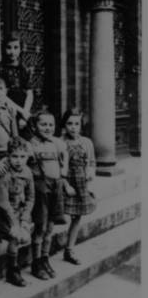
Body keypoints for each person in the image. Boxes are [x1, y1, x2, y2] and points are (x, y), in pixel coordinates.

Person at [25, 108, 71, 280]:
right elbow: (21, 161)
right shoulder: (31, 144)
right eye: (43, 124)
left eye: (51, 124)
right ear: (35, 126)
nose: (48, 128)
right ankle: (36, 263)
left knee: (51, 226)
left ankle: (45, 259)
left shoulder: (57, 143)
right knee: (40, 227)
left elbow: (64, 154)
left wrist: (64, 171)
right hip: (40, 188)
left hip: (56, 188)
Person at [0, 137, 35, 287]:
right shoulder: (3, 173)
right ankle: (12, 271)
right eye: (14, 156)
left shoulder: (27, 172)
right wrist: (15, 224)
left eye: (22, 156)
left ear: (27, 156)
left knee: (23, 235)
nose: (18, 161)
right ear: (8, 156)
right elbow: (3, 202)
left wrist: (25, 218)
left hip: (16, 208)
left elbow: (31, 197)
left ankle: (13, 267)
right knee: (15, 235)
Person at [61, 108, 96, 265]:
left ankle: (69, 249)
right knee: (57, 217)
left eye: (77, 124)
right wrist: (65, 185)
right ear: (64, 125)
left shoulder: (86, 142)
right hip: (65, 183)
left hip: (81, 183)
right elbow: (57, 167)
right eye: (69, 123)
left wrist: (90, 172)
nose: (73, 127)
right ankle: (43, 254)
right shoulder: (60, 142)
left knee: (77, 216)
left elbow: (91, 161)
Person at [0, 31, 34, 129]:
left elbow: (29, 93)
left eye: (16, 47)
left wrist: (25, 113)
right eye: (9, 47)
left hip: (23, 108)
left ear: (20, 49)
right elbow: (1, 95)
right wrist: (21, 112)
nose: (12, 51)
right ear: (4, 48)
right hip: (6, 108)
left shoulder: (24, 68)